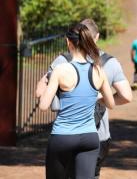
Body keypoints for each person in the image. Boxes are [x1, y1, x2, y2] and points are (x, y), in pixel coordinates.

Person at [36, 19, 132, 179]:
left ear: (69, 42)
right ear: (93, 38)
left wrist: (52, 87)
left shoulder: (61, 69)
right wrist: (96, 97)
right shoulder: (98, 70)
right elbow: (111, 104)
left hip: (63, 136)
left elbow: (43, 105)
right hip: (90, 137)